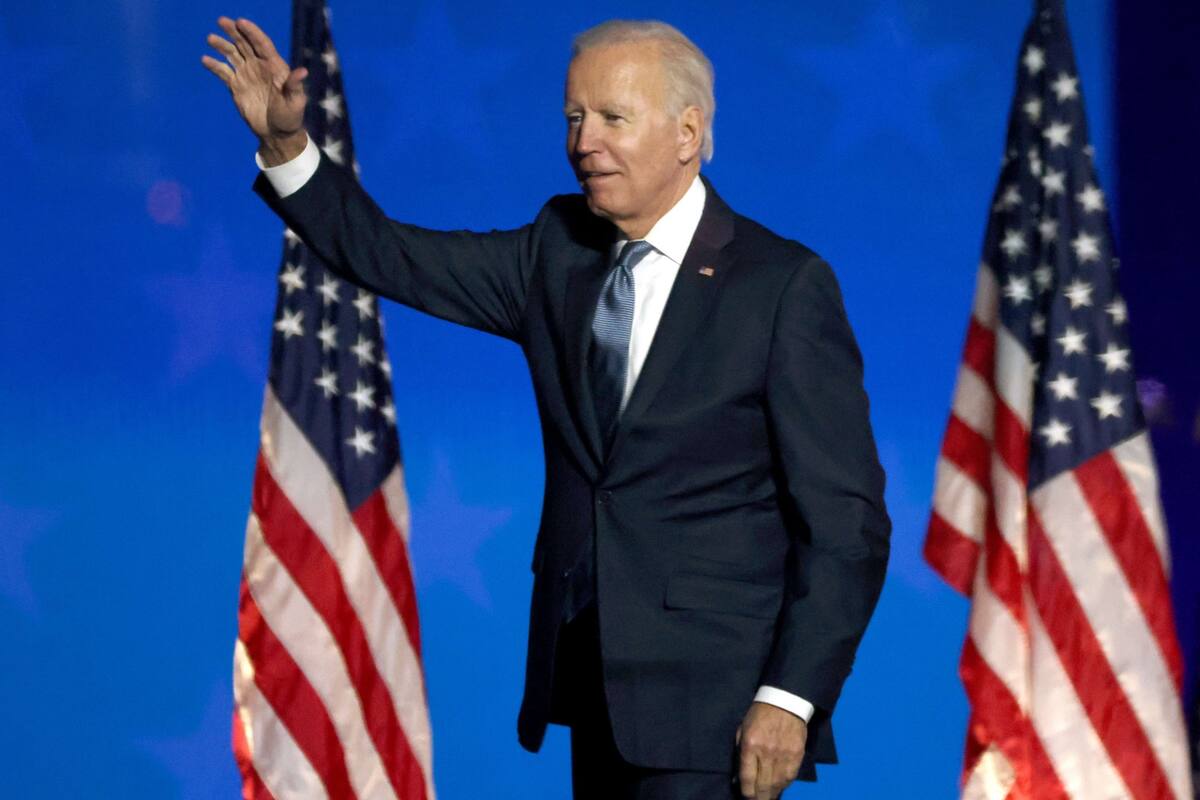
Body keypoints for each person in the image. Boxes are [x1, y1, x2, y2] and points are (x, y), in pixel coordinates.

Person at [203, 15, 890, 800]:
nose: (583, 142)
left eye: (612, 118)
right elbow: (386, 253)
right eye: (573, 117)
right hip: (590, 688)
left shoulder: (782, 287)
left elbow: (847, 525)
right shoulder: (556, 249)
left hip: (721, 711)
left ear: (688, 132)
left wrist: (790, 698)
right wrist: (290, 149)